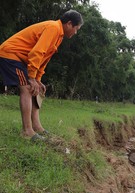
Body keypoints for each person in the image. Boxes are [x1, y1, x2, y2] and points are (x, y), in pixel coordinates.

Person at [0, 10, 83, 141]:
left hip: (21, 58)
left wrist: (38, 80)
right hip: (10, 54)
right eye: (76, 29)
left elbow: (44, 58)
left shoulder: (59, 35)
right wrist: (31, 78)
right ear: (69, 24)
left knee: (36, 89)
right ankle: (27, 131)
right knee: (27, 88)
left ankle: (37, 127)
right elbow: (37, 52)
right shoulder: (53, 28)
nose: (76, 32)